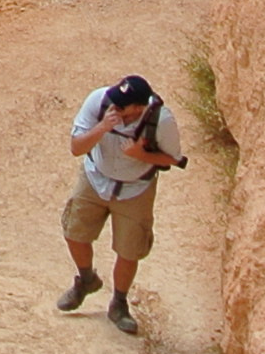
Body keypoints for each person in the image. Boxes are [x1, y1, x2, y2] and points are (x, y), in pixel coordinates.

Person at [60, 71, 185, 337]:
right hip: (95, 178)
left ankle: (119, 302)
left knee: (129, 250)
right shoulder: (99, 101)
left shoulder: (161, 120)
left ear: (139, 109)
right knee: (74, 232)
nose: (115, 108)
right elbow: (76, 147)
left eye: (122, 107)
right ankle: (86, 279)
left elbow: (173, 159)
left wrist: (140, 154)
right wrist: (102, 127)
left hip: (135, 190)